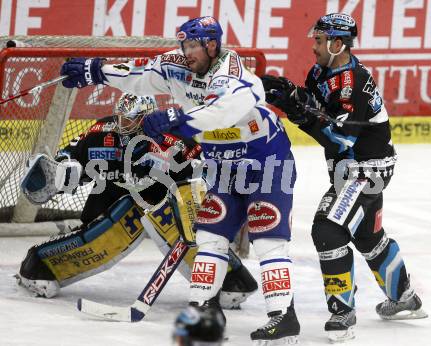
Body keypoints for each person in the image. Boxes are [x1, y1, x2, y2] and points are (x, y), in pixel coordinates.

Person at [60, 16, 300, 345]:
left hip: (265, 162)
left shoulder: (237, 76)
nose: (186, 52)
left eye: (192, 46)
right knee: (211, 236)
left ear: (212, 45)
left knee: (268, 238)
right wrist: (96, 71)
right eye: (183, 45)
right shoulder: (177, 65)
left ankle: (283, 317)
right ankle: (205, 311)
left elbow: (223, 113)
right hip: (223, 166)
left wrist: (178, 118)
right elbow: (141, 74)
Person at [261, 12, 427, 343]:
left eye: (320, 41)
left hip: (368, 168)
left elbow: (340, 138)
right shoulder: (321, 71)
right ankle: (405, 298)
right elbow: (316, 107)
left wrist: (295, 110)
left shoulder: (356, 83)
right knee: (367, 236)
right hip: (349, 168)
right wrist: (290, 92)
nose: (314, 47)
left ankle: (342, 312)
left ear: (338, 44)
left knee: (328, 228)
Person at [16, 92, 258, 310]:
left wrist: (175, 170)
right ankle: (42, 266)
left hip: (161, 198)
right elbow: (71, 153)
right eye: (120, 117)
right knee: (95, 233)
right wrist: (67, 169)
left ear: (146, 118)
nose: (122, 124)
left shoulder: (173, 136)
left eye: (130, 119)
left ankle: (230, 280)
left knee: (190, 231)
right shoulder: (103, 130)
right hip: (113, 193)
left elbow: (200, 173)